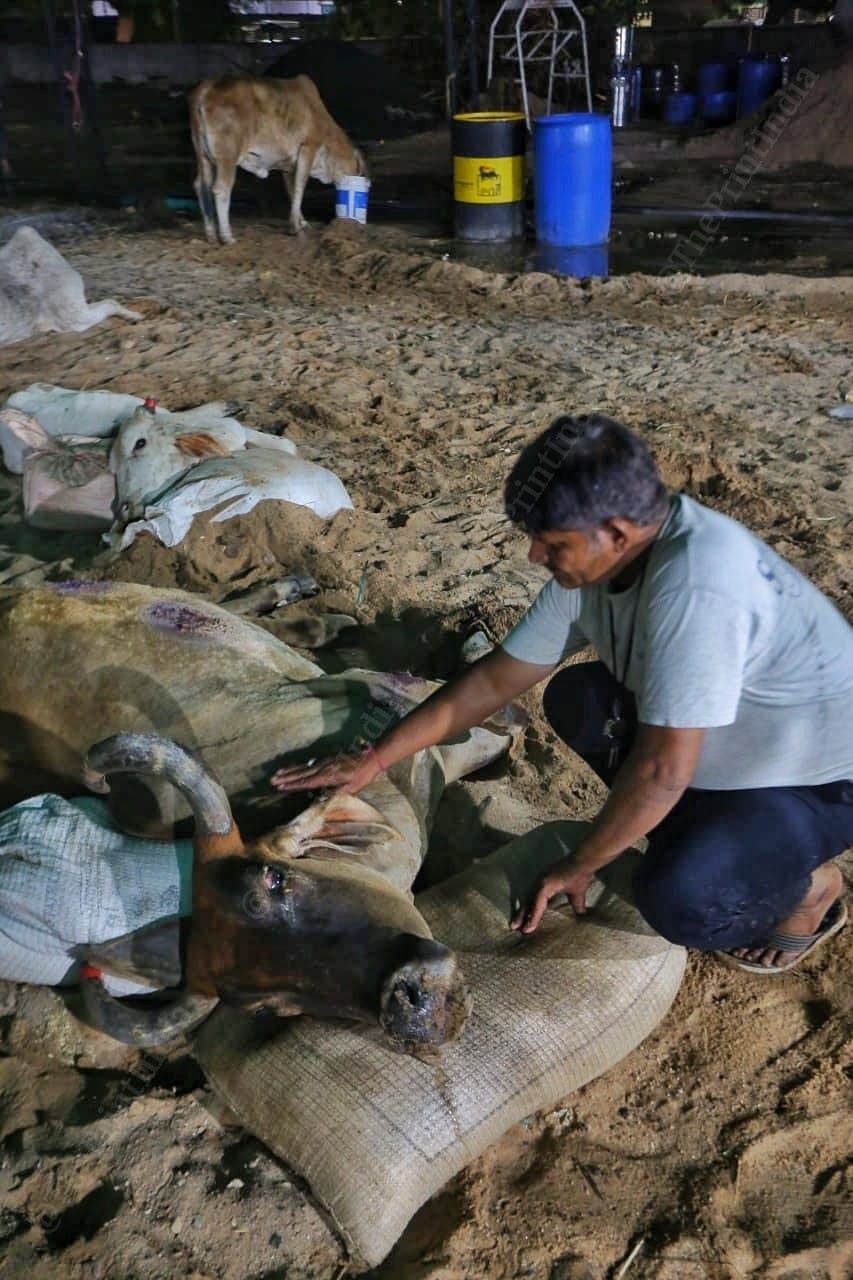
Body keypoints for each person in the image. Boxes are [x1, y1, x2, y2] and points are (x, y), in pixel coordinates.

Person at [271, 413, 853, 974]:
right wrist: (376, 759)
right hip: (732, 737)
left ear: (617, 533)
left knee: (682, 899)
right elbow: (497, 680)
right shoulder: (603, 565)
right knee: (579, 698)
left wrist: (579, 864)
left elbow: (661, 773)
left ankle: (807, 888)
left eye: (549, 542)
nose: (534, 556)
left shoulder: (698, 587)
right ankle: (714, 837)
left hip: (817, 779)